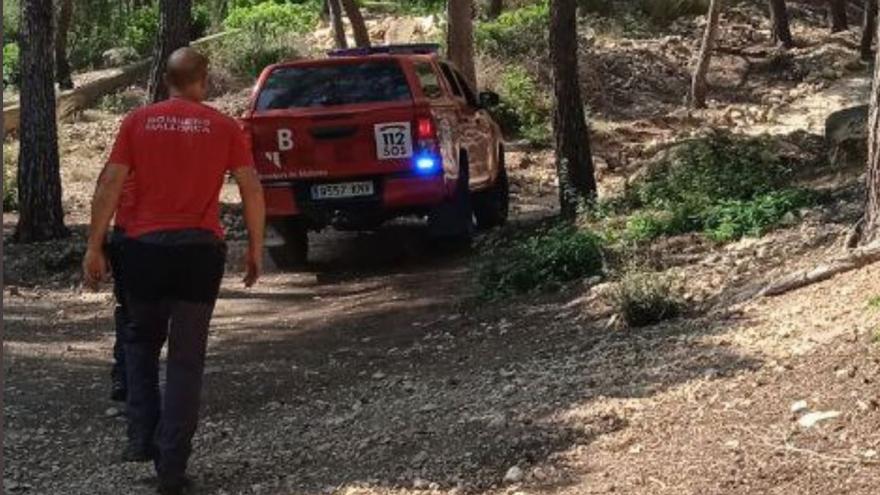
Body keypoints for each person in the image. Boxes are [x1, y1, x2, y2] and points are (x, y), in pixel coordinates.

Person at [83, 47, 265, 495]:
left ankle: (142, 436)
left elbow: (109, 183)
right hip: (199, 253)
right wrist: (256, 248)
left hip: (142, 250)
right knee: (186, 360)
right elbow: (251, 187)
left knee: (140, 344)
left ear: (167, 79)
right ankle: (172, 465)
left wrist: (94, 246)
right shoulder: (225, 127)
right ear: (203, 79)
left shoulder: (137, 122)